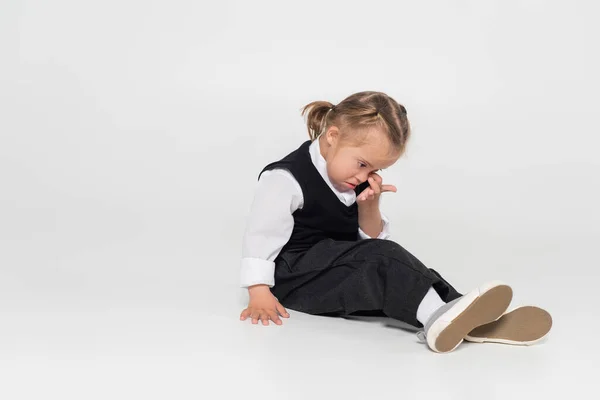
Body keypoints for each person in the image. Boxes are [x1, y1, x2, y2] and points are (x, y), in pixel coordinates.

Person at [239, 91, 552, 353]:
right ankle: (438, 319)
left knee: (407, 272)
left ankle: (462, 312)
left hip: (333, 271)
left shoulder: (353, 180)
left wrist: (370, 205)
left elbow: (369, 241)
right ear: (332, 137)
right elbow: (261, 234)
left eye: (374, 169)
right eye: (362, 164)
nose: (365, 177)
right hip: (295, 277)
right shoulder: (285, 178)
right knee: (386, 261)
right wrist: (259, 291)